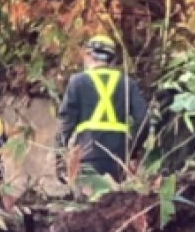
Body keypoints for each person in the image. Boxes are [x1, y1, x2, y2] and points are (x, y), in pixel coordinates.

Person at [56, 35, 148, 183]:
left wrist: (60, 160)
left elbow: (65, 123)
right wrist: (133, 151)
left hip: (87, 156)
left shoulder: (77, 82)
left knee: (90, 203)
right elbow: (143, 119)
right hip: (119, 157)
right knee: (116, 203)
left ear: (88, 55)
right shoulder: (127, 84)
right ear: (111, 59)